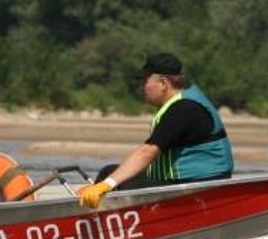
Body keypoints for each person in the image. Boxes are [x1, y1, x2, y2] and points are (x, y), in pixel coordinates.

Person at [78, 53, 234, 209]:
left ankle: (107, 221)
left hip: (200, 186)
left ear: (163, 83)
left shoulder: (184, 109)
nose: (142, 86)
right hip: (184, 182)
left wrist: (105, 185)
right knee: (110, 171)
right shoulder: (179, 104)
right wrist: (107, 182)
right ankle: (91, 210)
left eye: (145, 81)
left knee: (120, 183)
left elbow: (148, 152)